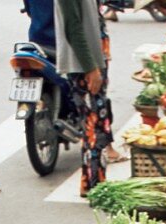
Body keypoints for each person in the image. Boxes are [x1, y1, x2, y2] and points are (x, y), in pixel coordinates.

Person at [54, 0, 114, 196]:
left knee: (97, 122)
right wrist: (90, 67)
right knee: (93, 124)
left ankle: (93, 181)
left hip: (95, 59)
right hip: (84, 66)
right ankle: (94, 184)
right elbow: (73, 25)